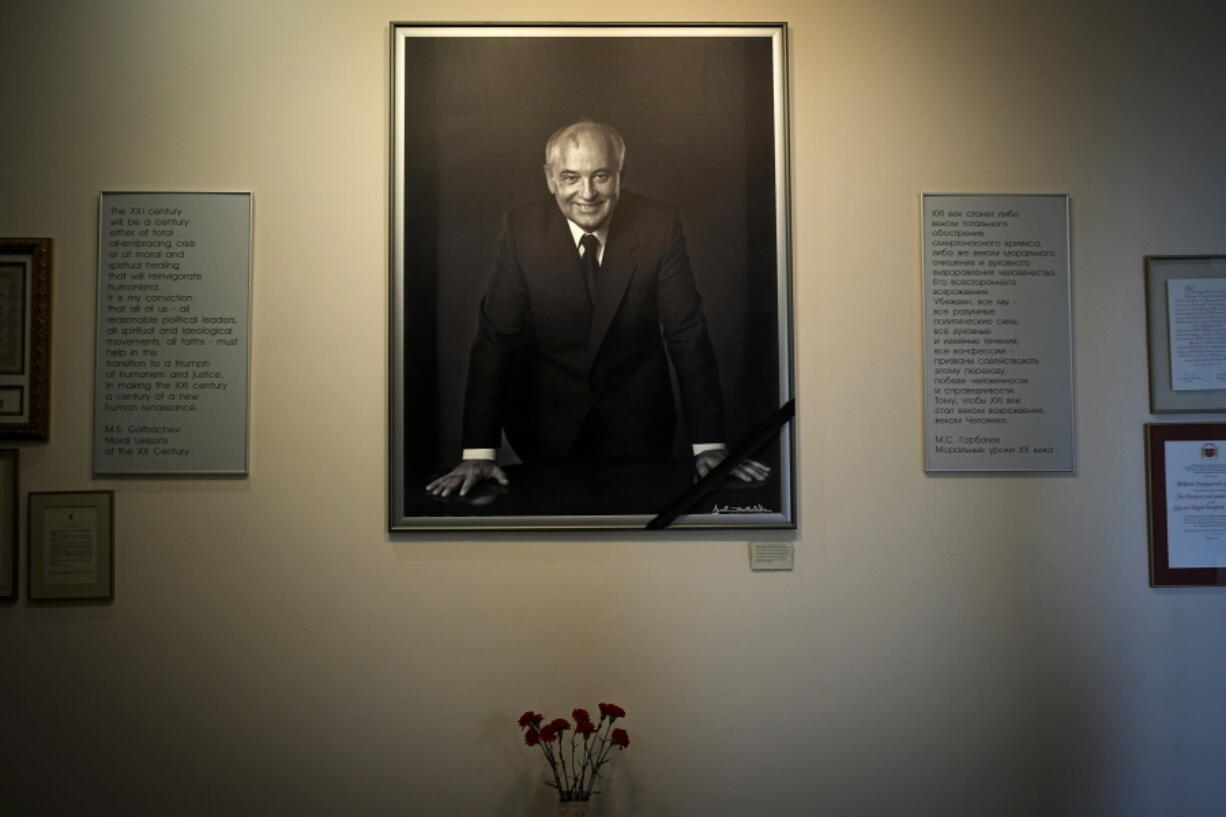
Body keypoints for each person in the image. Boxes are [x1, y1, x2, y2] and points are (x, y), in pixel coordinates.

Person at [427, 120, 768, 498]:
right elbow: (496, 339)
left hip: (639, 426)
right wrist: (478, 451)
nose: (587, 193)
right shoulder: (521, 230)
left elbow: (686, 333)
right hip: (543, 426)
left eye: (601, 175)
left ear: (621, 174)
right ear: (550, 178)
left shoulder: (659, 225)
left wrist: (709, 446)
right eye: (571, 177)